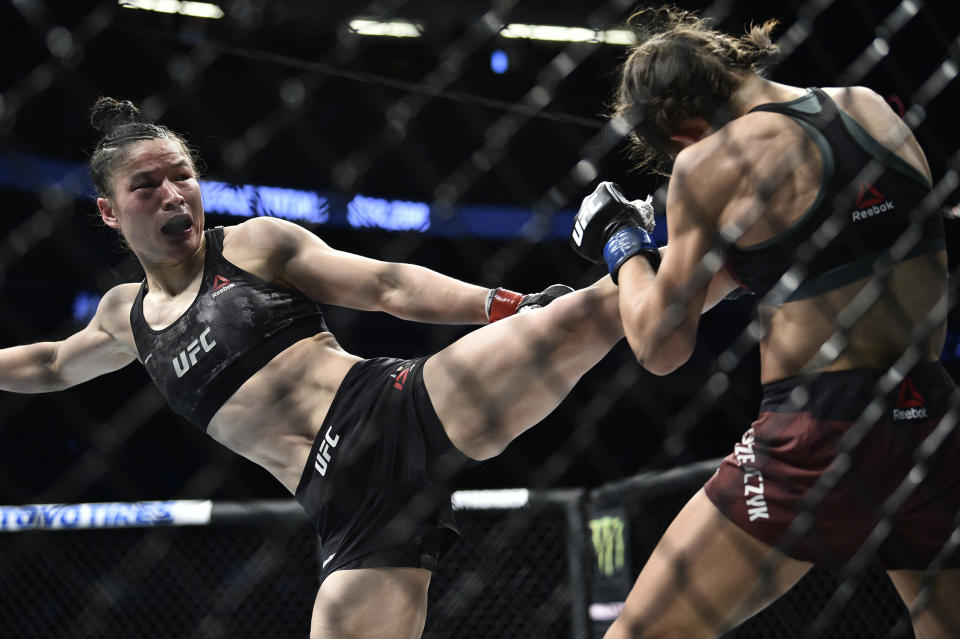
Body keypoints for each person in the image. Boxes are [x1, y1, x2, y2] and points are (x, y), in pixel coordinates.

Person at [0, 97, 625, 639]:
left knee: (575, 317)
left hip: (392, 407)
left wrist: (504, 305)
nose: (171, 194)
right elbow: (53, 364)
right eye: (145, 185)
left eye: (182, 176)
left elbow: (386, 284)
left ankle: (683, 251)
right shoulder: (123, 316)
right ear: (110, 210)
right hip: (345, 507)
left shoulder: (252, 244)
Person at [570, 6, 958, 638]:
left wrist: (624, 245)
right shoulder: (868, 107)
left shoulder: (709, 164)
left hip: (817, 433)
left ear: (680, 127)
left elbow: (659, 345)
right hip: (930, 419)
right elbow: (830, 247)